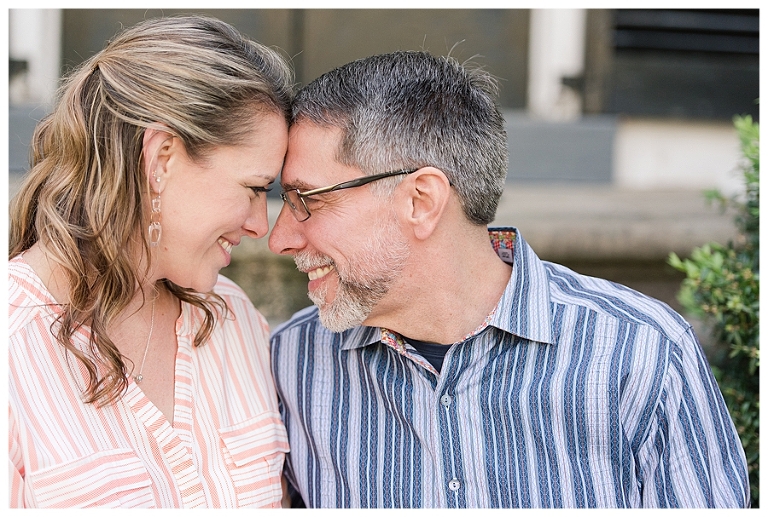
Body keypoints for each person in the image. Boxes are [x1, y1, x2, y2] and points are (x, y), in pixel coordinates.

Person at [268, 50, 750, 508]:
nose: (279, 238)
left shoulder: (642, 353)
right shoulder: (291, 363)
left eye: (306, 200)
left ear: (421, 201)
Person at [9, 16, 294, 508]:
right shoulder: (12, 343)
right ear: (161, 159)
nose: (259, 225)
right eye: (252, 188)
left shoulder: (233, 318)